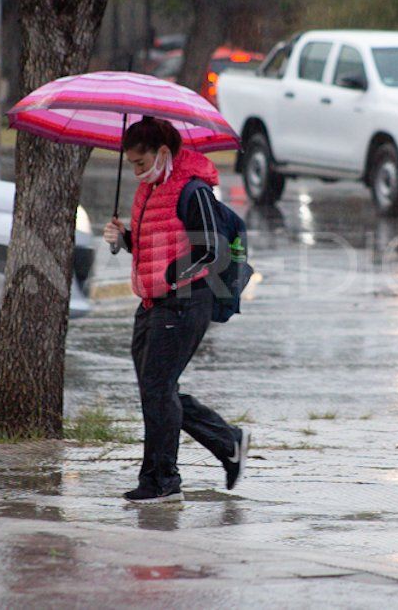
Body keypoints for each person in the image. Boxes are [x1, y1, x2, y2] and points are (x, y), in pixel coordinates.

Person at [103, 116, 249, 504]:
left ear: (163, 152)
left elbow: (209, 251)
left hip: (186, 302)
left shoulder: (193, 189)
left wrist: (171, 275)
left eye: (140, 161)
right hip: (151, 301)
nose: (135, 170)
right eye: (130, 163)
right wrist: (126, 239)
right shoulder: (149, 188)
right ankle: (227, 441)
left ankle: (163, 481)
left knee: (157, 388)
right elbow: (158, 246)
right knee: (157, 390)